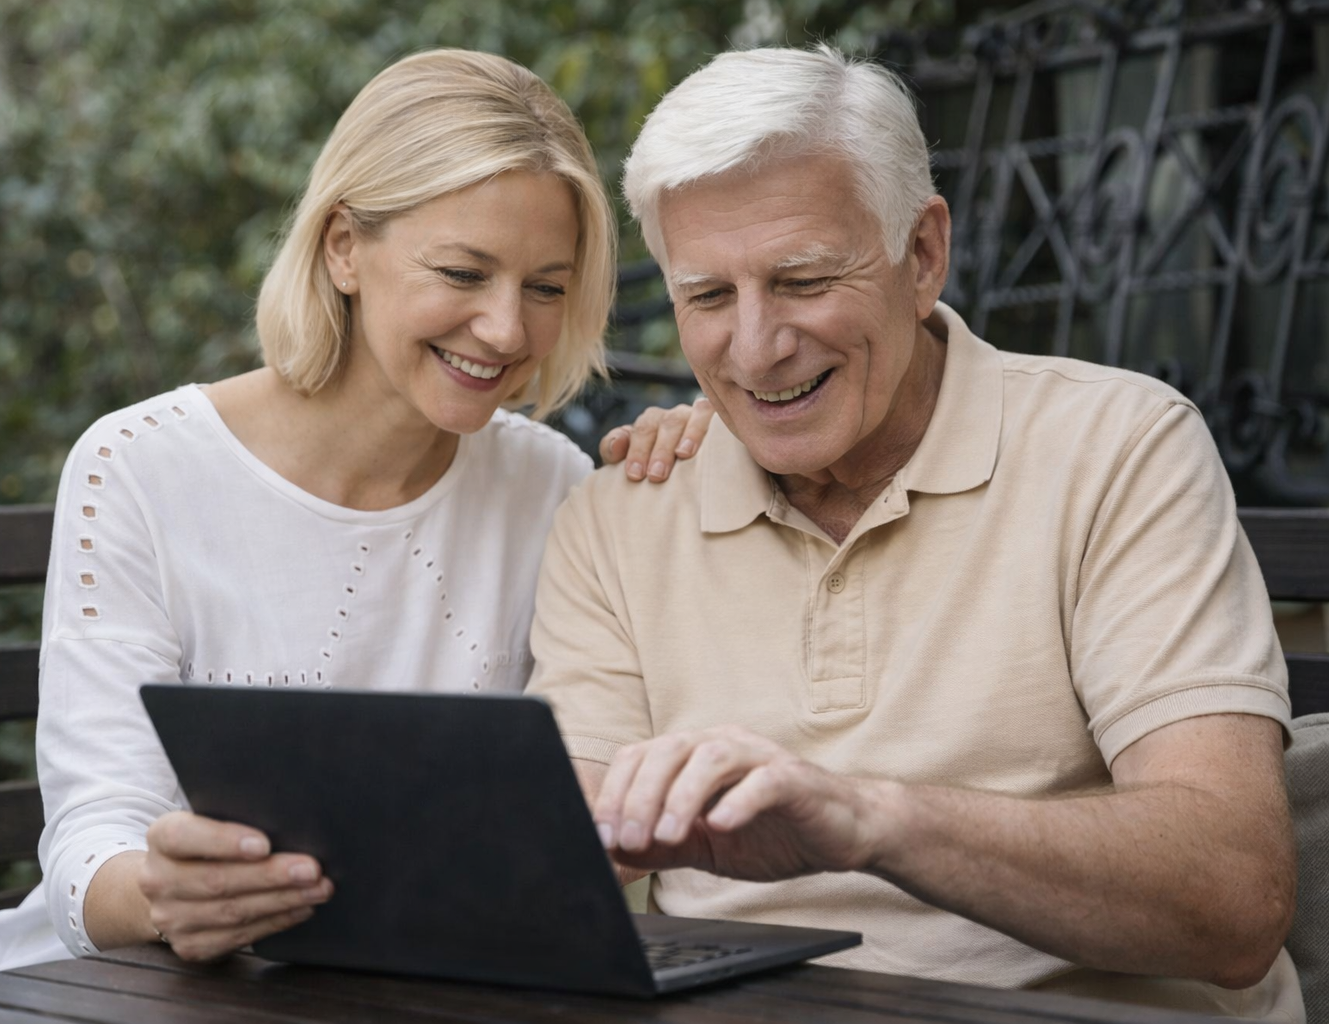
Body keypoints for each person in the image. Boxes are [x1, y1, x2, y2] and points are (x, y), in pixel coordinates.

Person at [525, 45, 1304, 1022]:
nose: (757, 347)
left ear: (924, 254)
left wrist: (866, 818)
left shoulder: (1118, 447)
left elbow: (1232, 900)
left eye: (804, 279)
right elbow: (563, 856)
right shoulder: (623, 511)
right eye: (709, 297)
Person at [0, 48, 709, 974]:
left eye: (546, 287)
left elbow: (563, 822)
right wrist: (163, 894)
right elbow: (92, 830)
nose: (507, 329)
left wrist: (696, 472)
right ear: (343, 247)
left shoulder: (552, 487)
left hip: (390, 985)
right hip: (113, 986)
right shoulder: (138, 468)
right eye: (462, 272)